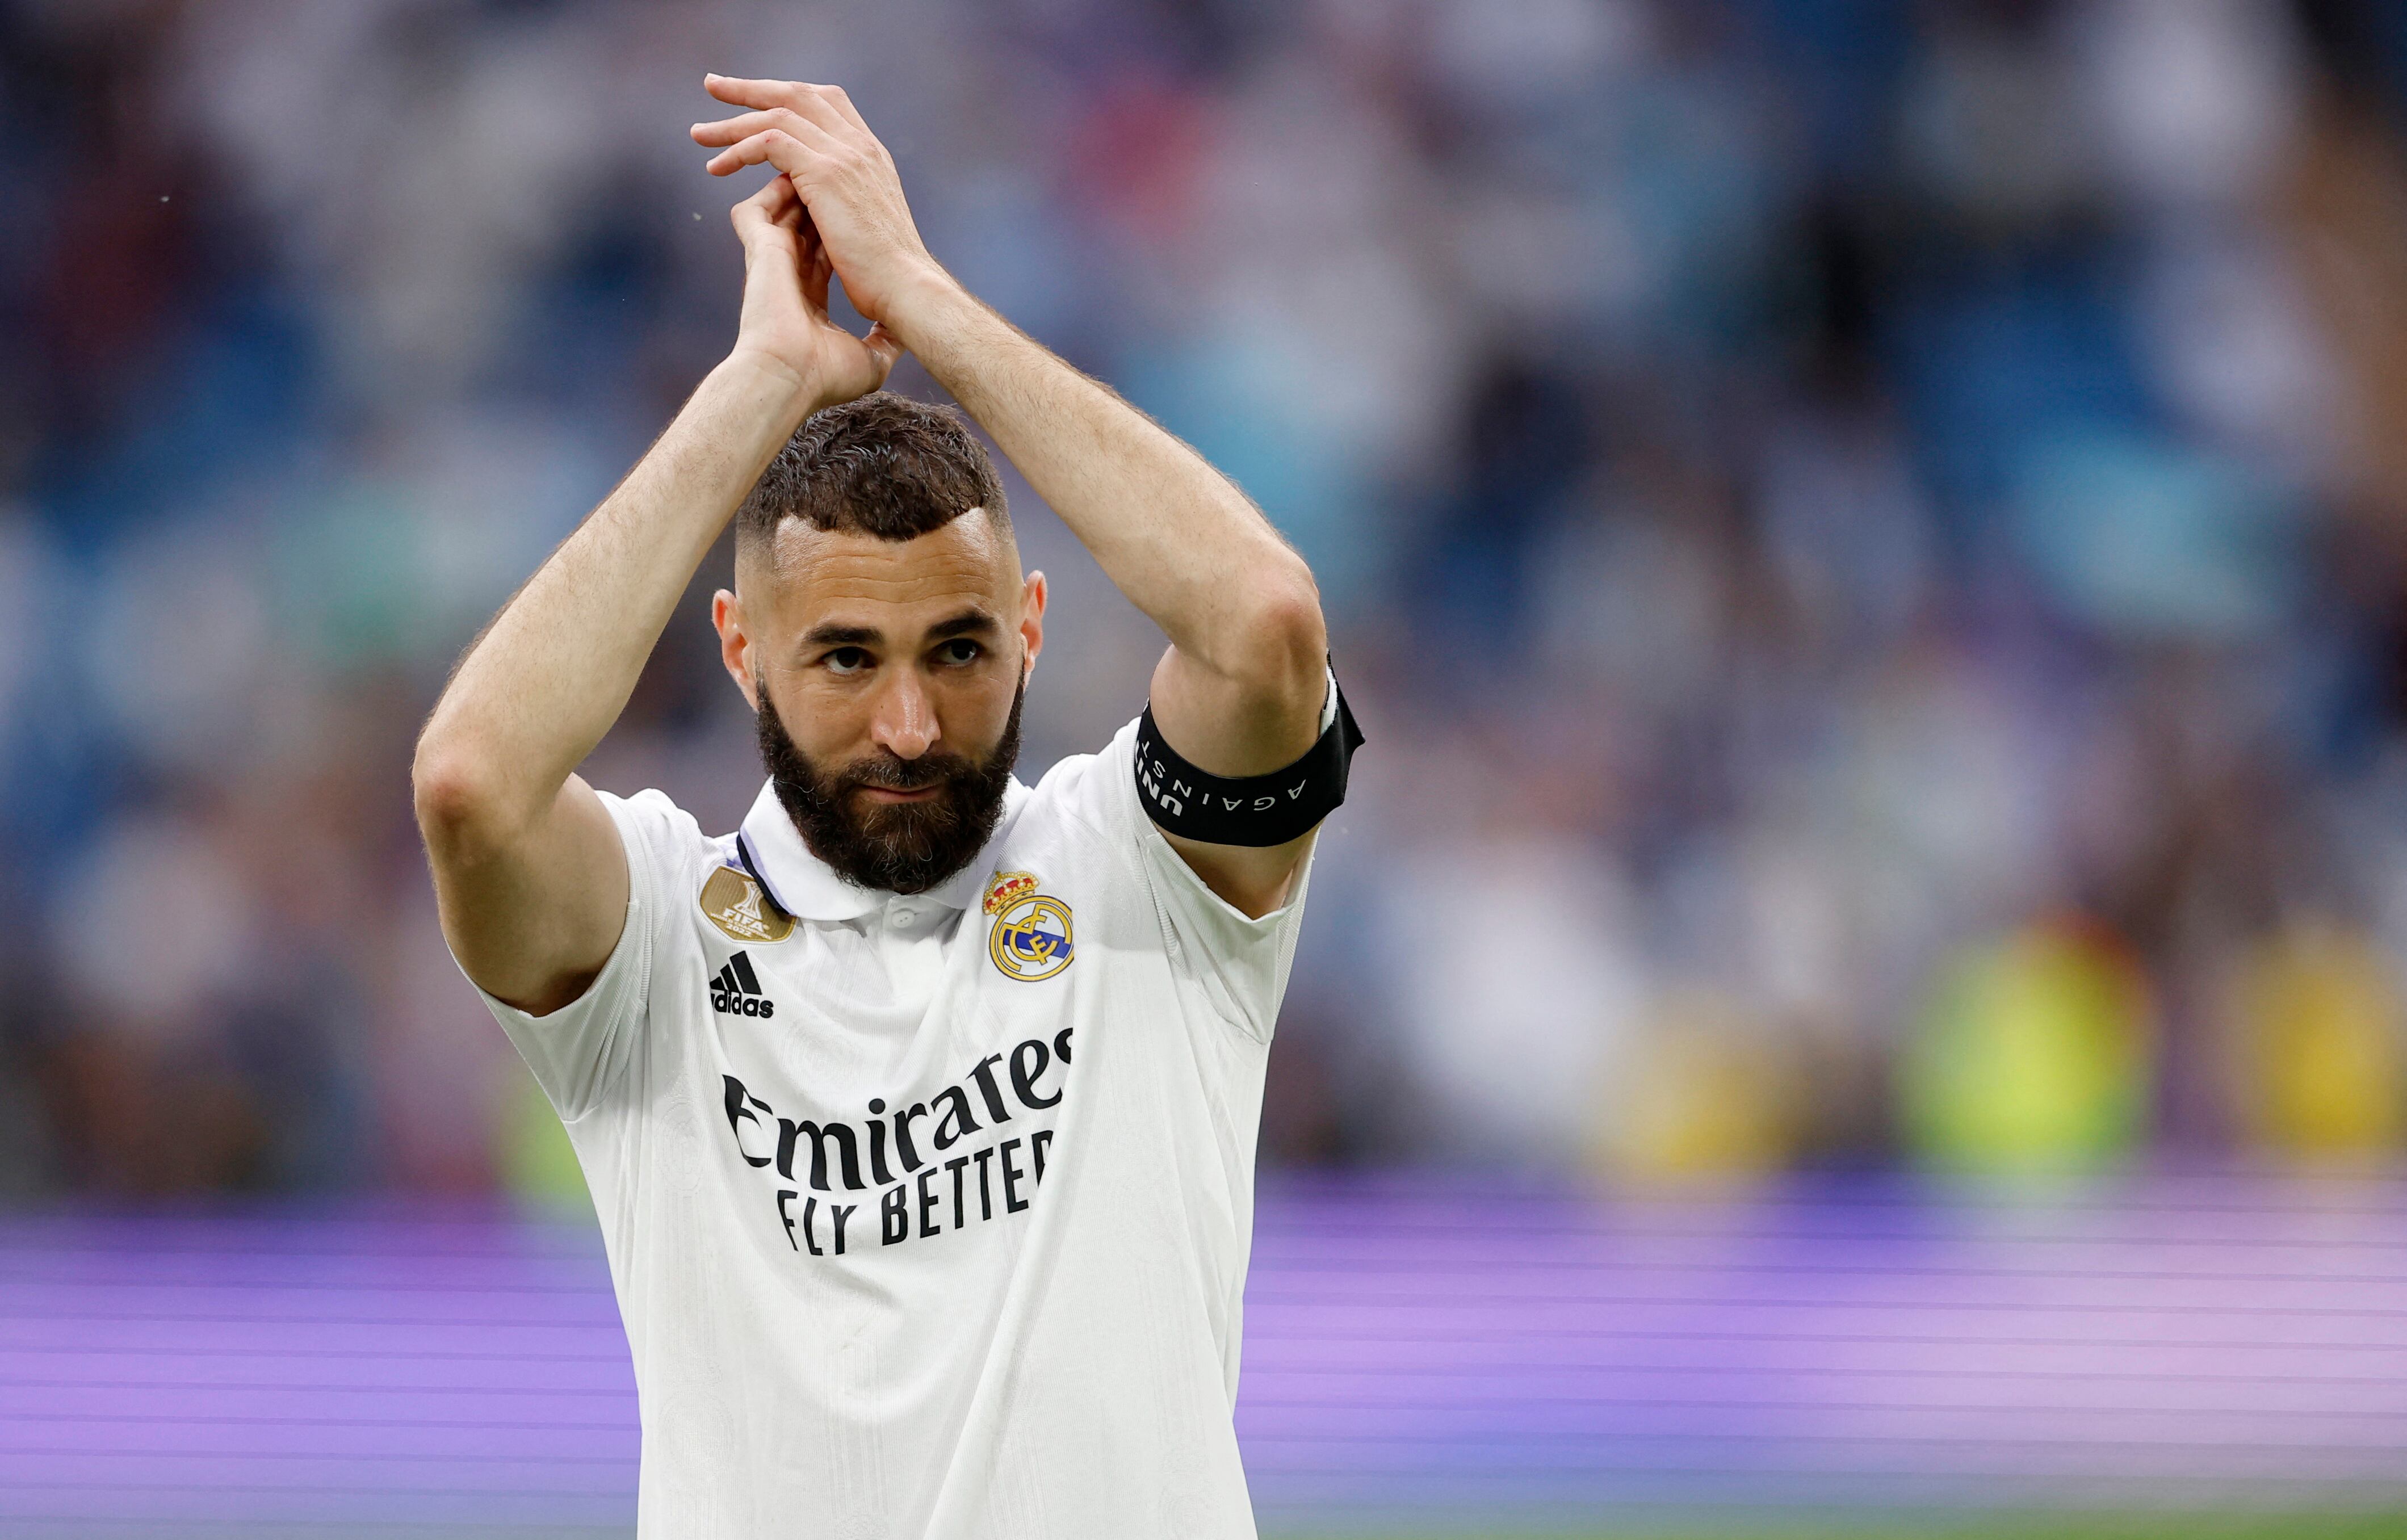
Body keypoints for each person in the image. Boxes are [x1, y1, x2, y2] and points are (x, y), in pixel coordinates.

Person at [410, 74, 1362, 1538]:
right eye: (846, 657)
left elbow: (1263, 621)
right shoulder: (656, 936)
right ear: (739, 648)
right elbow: (472, 785)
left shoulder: (1145, 869)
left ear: (1032, 628)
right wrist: (758, 387)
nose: (909, 726)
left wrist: (918, 299)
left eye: (960, 650)